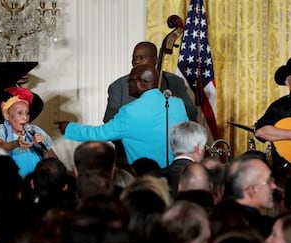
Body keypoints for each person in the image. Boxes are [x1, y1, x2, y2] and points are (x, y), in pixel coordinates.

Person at [57, 63, 189, 168]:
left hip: (145, 178)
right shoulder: (178, 104)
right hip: (177, 175)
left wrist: (69, 128)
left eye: (130, 80)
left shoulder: (130, 111)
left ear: (142, 83)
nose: (127, 84)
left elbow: (99, 134)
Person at [103, 41, 197, 161]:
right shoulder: (119, 86)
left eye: (141, 58)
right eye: (134, 58)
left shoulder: (174, 82)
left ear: (154, 60)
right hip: (129, 157)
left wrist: (176, 102)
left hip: (169, 155)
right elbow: (109, 121)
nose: (136, 61)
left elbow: (191, 115)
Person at [0, 87, 57, 177]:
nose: (25, 118)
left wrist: (43, 147)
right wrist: (16, 143)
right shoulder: (0, 130)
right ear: (7, 115)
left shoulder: (35, 130)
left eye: (27, 113)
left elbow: (54, 162)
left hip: (35, 181)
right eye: (20, 113)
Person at [157, 121, 208, 197]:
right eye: (204, 147)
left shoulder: (152, 179)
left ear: (172, 146)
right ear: (198, 149)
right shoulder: (204, 179)